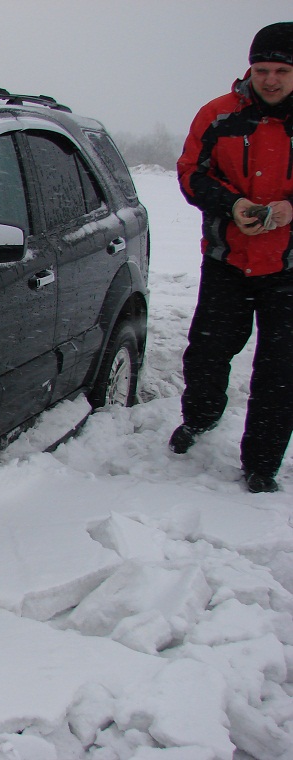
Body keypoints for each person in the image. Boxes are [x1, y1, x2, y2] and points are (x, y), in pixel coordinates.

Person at [171, 21, 293, 494]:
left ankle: (262, 463)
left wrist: (290, 207)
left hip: (287, 267)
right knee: (208, 350)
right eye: (262, 70)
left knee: (280, 370)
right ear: (250, 69)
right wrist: (232, 204)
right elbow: (190, 173)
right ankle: (199, 418)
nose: (271, 80)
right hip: (227, 260)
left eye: (282, 71)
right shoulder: (218, 114)